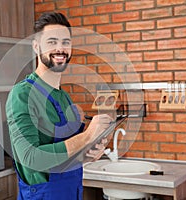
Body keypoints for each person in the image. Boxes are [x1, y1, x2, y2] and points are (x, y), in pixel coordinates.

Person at [6, 12, 113, 200]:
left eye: (65, 42)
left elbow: (66, 156)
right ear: (36, 46)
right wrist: (88, 135)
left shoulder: (64, 97)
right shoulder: (22, 95)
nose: (60, 48)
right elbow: (32, 158)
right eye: (52, 42)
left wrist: (88, 154)